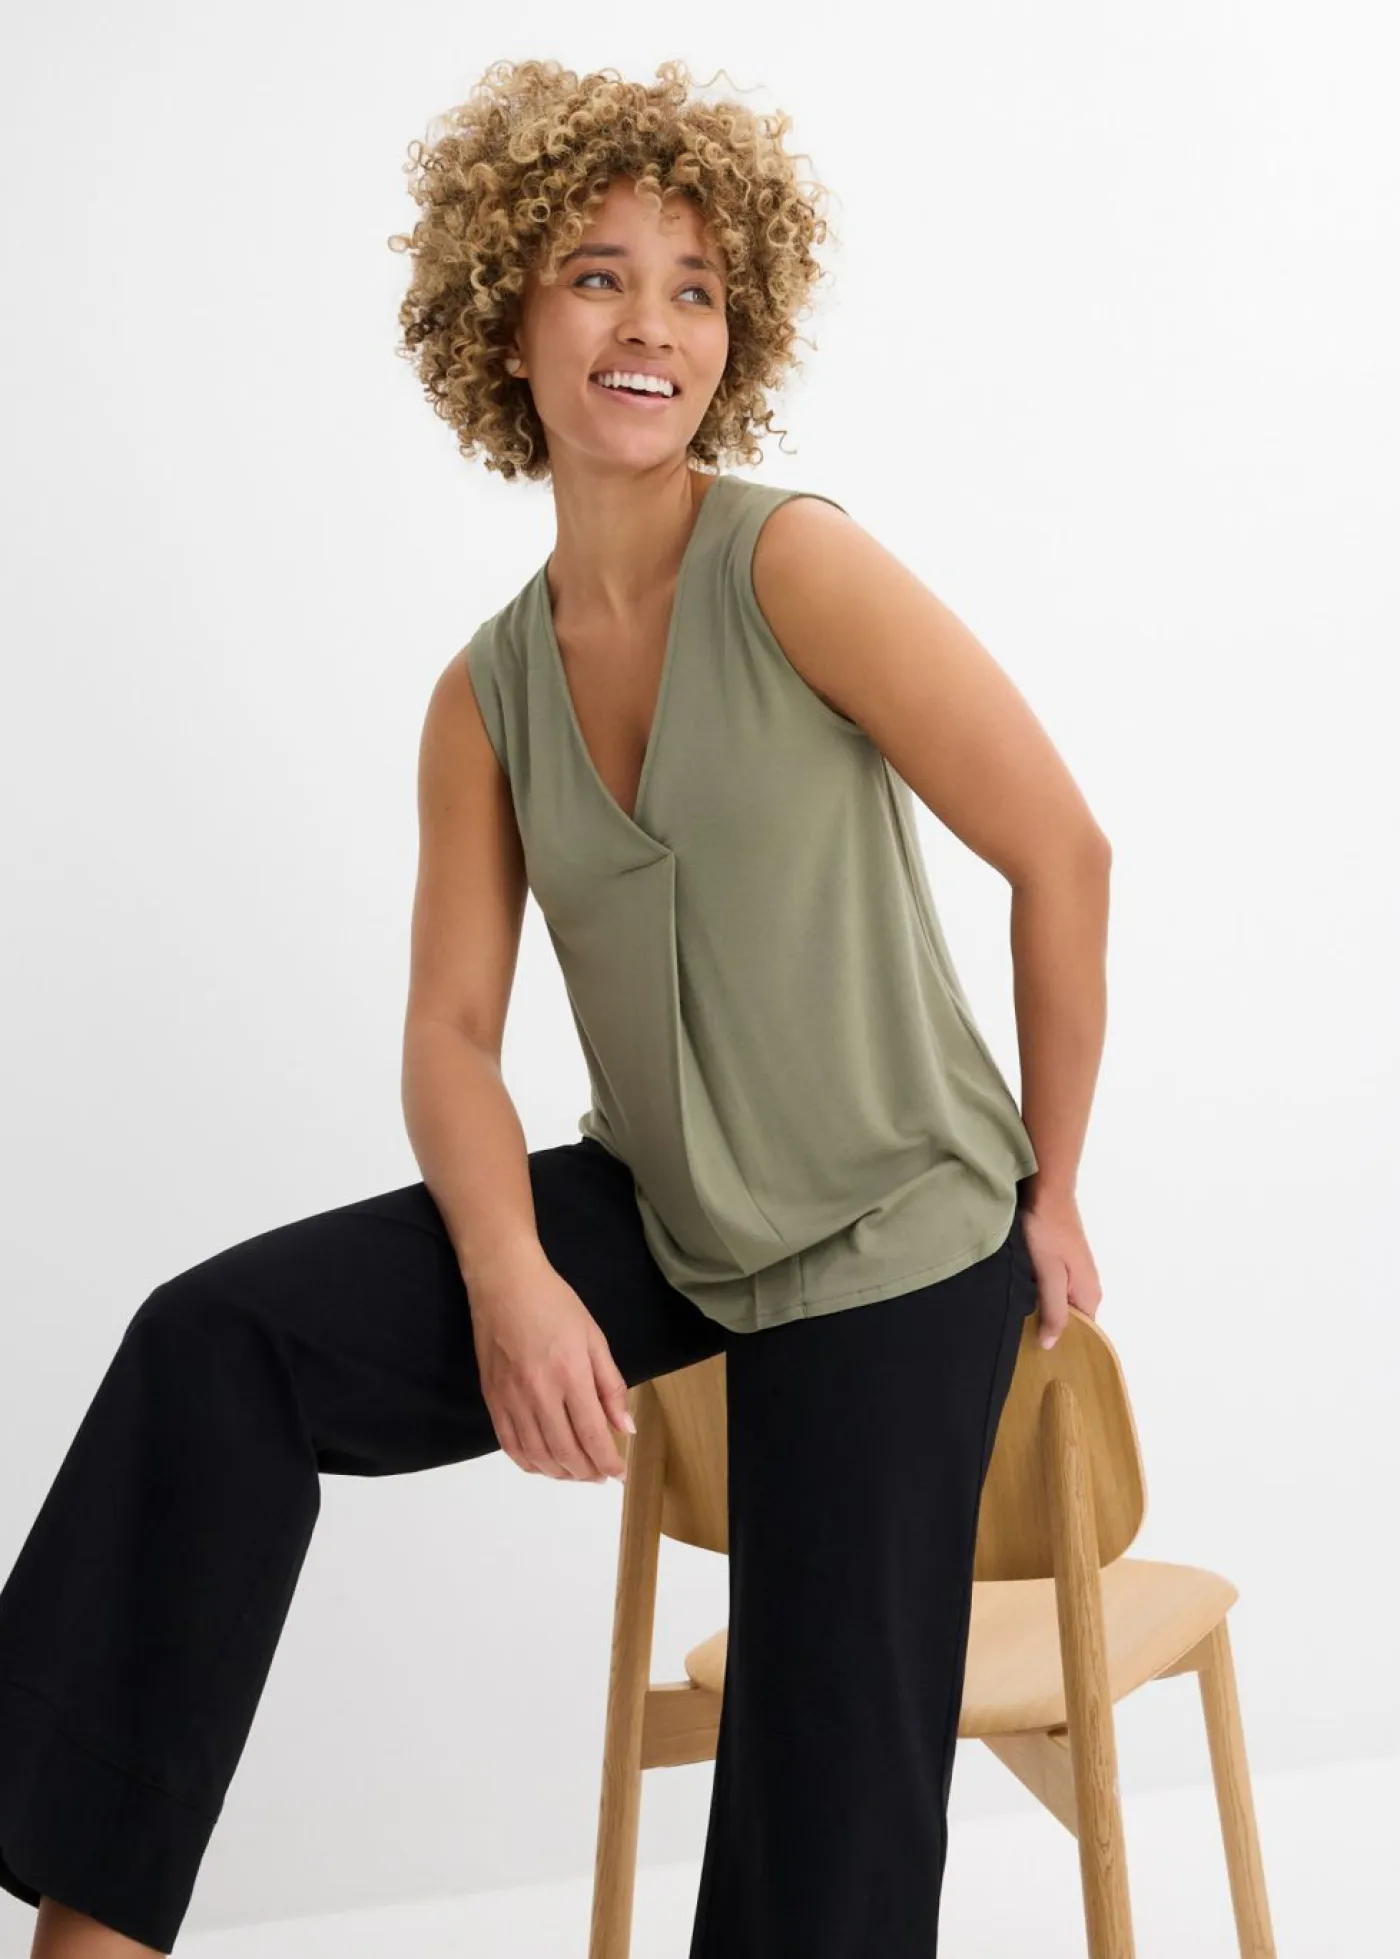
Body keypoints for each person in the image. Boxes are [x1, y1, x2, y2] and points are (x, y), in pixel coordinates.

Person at [0, 55, 1111, 1958]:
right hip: (668, 1210)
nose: (649, 324)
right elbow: (450, 1031)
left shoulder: (797, 567)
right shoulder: (485, 693)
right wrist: (509, 1273)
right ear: (503, 317)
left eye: (695, 288)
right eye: (599, 275)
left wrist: (1055, 1184)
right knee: (220, 1346)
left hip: (894, 1236)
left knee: (816, 1842)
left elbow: (1062, 851)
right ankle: (90, 1935)